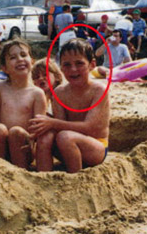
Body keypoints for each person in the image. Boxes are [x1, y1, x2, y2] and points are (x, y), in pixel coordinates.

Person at [29, 38, 110, 173]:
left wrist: (53, 122)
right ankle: (43, 178)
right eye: (67, 65)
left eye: (79, 63)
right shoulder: (59, 92)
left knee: (65, 136)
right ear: (61, 68)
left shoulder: (99, 91)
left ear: (92, 65)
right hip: (68, 146)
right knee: (46, 136)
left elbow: (90, 128)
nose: (73, 69)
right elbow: (60, 126)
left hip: (96, 147)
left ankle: (75, 179)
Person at [0, 39, 47, 169]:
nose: (20, 59)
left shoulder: (37, 93)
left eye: (23, 55)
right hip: (0, 144)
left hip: (23, 145)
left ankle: (19, 173)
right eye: (13, 57)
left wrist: (32, 138)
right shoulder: (0, 88)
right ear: (5, 68)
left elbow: (38, 126)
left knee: (16, 132)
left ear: (32, 61)